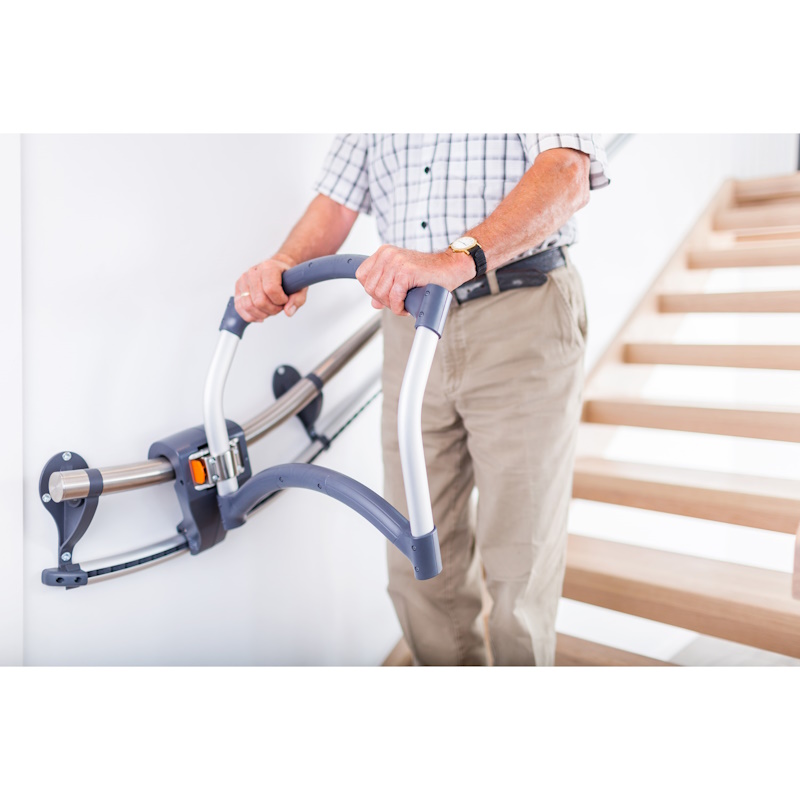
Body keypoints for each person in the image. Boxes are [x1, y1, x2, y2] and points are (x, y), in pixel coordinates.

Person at [235, 134, 609, 666]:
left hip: (519, 311)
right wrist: (285, 262)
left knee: (519, 570)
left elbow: (567, 173)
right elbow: (337, 200)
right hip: (412, 328)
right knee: (417, 564)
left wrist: (453, 261)